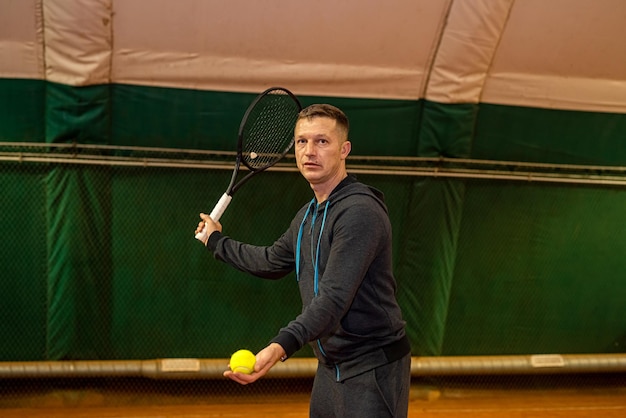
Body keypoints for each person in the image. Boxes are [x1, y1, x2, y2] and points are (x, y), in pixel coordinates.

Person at [195, 104, 411, 417]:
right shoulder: (308, 216)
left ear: (344, 149)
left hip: (372, 366)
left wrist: (277, 348)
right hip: (331, 366)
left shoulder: (360, 213)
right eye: (301, 141)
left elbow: (333, 300)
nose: (309, 151)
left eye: (322, 141)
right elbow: (270, 261)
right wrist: (216, 241)